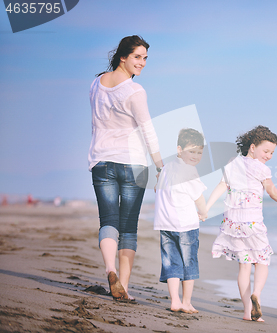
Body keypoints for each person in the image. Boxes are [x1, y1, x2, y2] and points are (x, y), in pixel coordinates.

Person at [88, 35, 164, 301]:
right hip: (133, 163)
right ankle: (124, 287)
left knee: (108, 221)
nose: (142, 63)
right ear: (123, 56)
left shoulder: (96, 84)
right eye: (137, 57)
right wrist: (160, 166)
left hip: (101, 161)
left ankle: (110, 270)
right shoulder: (134, 90)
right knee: (128, 227)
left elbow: (96, 123)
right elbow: (148, 130)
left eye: (145, 58)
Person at [205, 125, 277, 322]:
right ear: (252, 147)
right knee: (262, 261)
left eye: (272, 152)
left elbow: (222, 186)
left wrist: (206, 207)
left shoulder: (232, 163)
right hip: (252, 222)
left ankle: (248, 311)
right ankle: (256, 293)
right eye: (266, 151)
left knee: (244, 267)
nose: (269, 156)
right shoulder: (262, 168)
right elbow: (273, 192)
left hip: (233, 223)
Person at [154, 128, 208, 314]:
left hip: (165, 223)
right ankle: (186, 302)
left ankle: (175, 301)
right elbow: (198, 198)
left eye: (199, 152)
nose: (195, 156)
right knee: (189, 262)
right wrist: (204, 211)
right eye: (191, 151)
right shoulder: (190, 171)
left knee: (171, 262)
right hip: (186, 225)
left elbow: (158, 188)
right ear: (179, 149)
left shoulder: (167, 167)